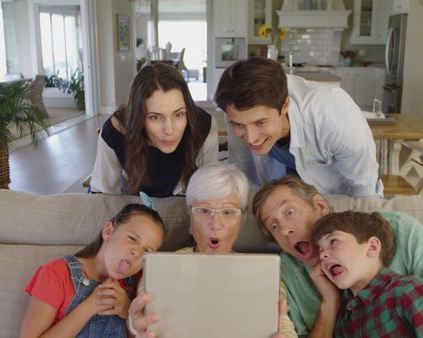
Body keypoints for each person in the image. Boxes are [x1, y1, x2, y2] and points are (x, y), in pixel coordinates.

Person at [251, 175, 423, 337]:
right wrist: (330, 303)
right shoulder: (287, 275)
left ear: (320, 205)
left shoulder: (400, 249)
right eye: (273, 226)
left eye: (289, 212)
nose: (284, 229)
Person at [127, 163, 296, 338]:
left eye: (228, 212)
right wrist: (133, 327)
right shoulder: (161, 266)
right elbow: (140, 323)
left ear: (242, 218)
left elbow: (284, 327)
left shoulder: (263, 270)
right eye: (204, 210)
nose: (215, 224)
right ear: (189, 215)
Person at [214, 57, 382, 198]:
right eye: (238, 125)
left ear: (285, 105)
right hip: (284, 183)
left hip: (339, 196)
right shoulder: (237, 108)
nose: (250, 138)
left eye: (260, 123)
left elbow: (365, 193)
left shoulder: (336, 116)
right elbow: (242, 171)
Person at [313, 211, 423, 337]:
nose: (323, 255)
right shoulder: (343, 318)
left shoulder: (410, 292)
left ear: (372, 247)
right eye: (320, 250)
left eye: (333, 241)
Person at [19, 204, 165, 338]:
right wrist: (89, 307)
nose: (137, 252)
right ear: (108, 231)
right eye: (132, 238)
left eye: (147, 251)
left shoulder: (138, 284)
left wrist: (127, 312)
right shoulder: (56, 274)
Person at [90, 62, 219, 197]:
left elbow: (208, 194)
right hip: (134, 201)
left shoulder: (204, 127)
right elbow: (103, 196)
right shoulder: (114, 132)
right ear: (138, 117)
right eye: (155, 117)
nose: (169, 130)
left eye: (178, 114)